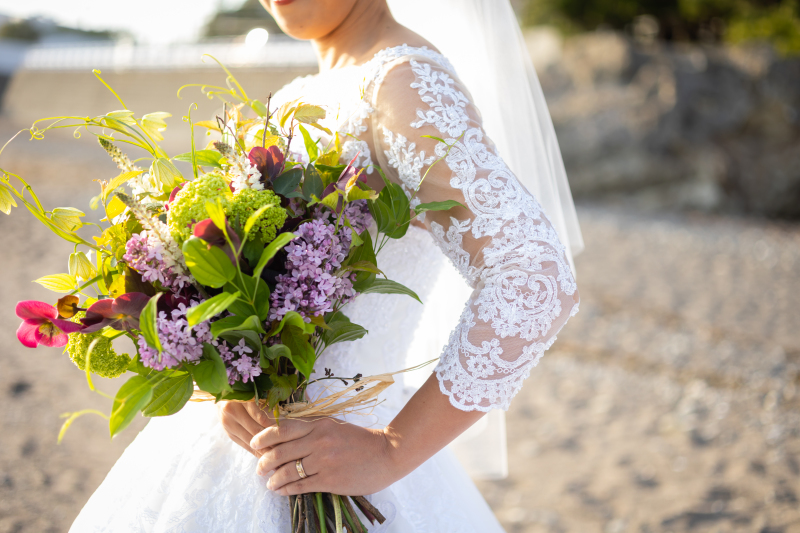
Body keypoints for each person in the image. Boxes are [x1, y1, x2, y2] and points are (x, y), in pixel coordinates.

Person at [70, 0, 582, 530]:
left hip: (344, 458)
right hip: (243, 455)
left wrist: (389, 452)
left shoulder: (403, 84)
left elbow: (534, 274)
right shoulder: (297, 95)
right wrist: (225, 384)